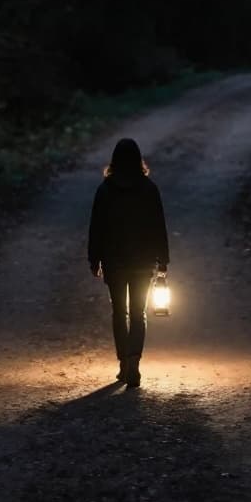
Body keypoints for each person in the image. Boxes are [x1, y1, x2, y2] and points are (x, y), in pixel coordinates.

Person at [87, 138, 169, 388]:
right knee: (138, 313)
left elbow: (96, 228)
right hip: (143, 262)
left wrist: (94, 259)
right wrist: (163, 260)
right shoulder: (149, 189)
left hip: (114, 261)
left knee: (119, 312)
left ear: (114, 161)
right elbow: (158, 226)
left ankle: (123, 362)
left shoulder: (105, 190)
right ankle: (134, 361)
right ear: (138, 160)